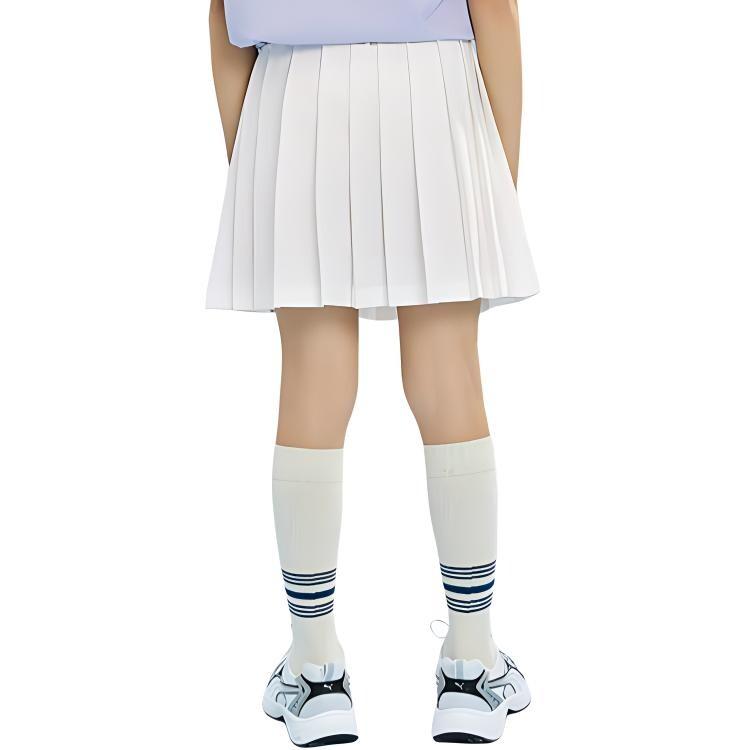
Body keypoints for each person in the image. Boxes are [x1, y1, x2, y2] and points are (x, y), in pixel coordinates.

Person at [207, 0, 537, 744]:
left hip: (292, 95)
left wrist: (252, 156)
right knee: (448, 375)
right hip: (435, 96)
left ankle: (315, 671)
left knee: (312, 380)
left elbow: (223, 14)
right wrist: (502, 171)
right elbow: (496, 8)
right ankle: (471, 666)